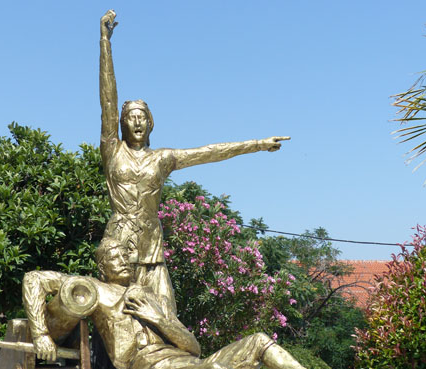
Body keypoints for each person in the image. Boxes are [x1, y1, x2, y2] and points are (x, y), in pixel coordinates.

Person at [98, 9, 290, 313]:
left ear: (150, 124)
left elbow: (211, 152)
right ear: (122, 124)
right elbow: (108, 98)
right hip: (119, 249)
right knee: (120, 319)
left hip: (152, 249)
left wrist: (258, 144)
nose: (136, 123)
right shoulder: (113, 150)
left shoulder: (162, 159)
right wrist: (105, 42)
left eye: (142, 118)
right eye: (130, 118)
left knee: (166, 314)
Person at [23, 238, 352, 369]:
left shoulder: (149, 295)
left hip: (183, 360)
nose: (121, 259)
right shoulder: (93, 290)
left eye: (125, 254)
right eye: (112, 256)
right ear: (101, 265)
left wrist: (161, 319)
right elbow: (33, 280)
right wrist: (40, 334)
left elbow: (192, 347)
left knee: (258, 341)